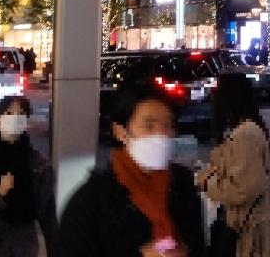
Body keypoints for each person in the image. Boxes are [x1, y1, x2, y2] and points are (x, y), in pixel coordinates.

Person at [56, 81, 205, 256]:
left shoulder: (182, 184)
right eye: (149, 126)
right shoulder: (93, 199)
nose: (161, 134)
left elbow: (197, 244)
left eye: (167, 126)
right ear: (121, 132)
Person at [0, 95, 57, 257]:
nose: (15, 118)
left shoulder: (38, 163)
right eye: (9, 113)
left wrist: (55, 249)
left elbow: (48, 214)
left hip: (24, 243)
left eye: (20, 114)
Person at [198, 73, 270, 257]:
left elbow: (242, 190)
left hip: (249, 237)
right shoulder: (245, 130)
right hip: (247, 229)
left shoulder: (246, 135)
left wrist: (207, 183)